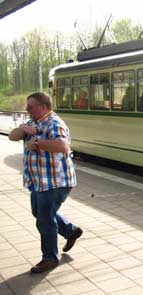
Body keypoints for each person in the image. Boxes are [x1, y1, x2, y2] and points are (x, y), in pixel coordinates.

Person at [8, 92, 82, 274]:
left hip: (56, 182)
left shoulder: (54, 123)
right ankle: (70, 231)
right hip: (39, 181)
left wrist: (38, 143)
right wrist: (24, 131)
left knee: (44, 219)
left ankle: (50, 258)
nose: (27, 109)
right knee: (39, 212)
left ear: (43, 106)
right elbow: (12, 136)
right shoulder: (33, 122)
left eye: (31, 106)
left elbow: (63, 146)